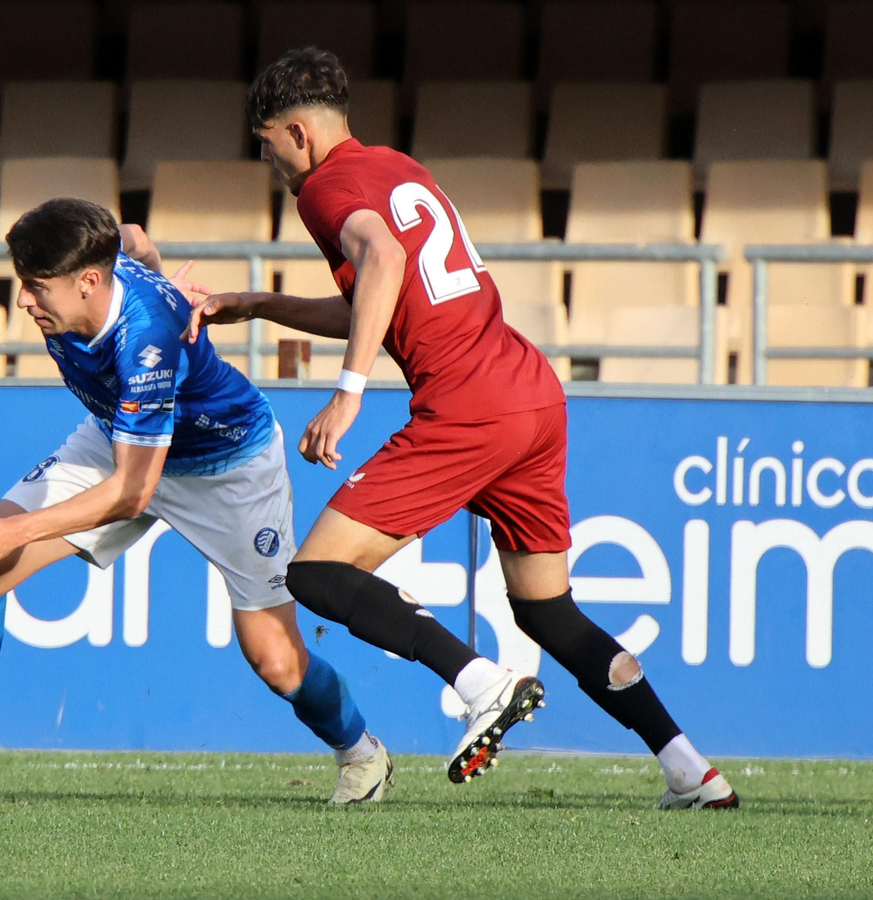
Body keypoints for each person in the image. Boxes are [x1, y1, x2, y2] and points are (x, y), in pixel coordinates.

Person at [185, 48, 738, 809]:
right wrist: (258, 304)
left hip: (470, 404)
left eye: (267, 140)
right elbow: (384, 291)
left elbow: (379, 259)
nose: (266, 156)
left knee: (314, 574)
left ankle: (479, 682)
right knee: (547, 609)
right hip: (530, 393)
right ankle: (690, 770)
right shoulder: (394, 167)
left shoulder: (325, 188)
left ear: (299, 134)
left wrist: (348, 392)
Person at [0, 198, 395, 804]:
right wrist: (156, 266)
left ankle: (363, 756)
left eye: (36, 288)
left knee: (276, 661)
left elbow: (131, 492)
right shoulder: (97, 269)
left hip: (227, 468)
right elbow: (136, 239)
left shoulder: (143, 339)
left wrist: (18, 531)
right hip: (122, 436)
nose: (23, 301)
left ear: (90, 281)